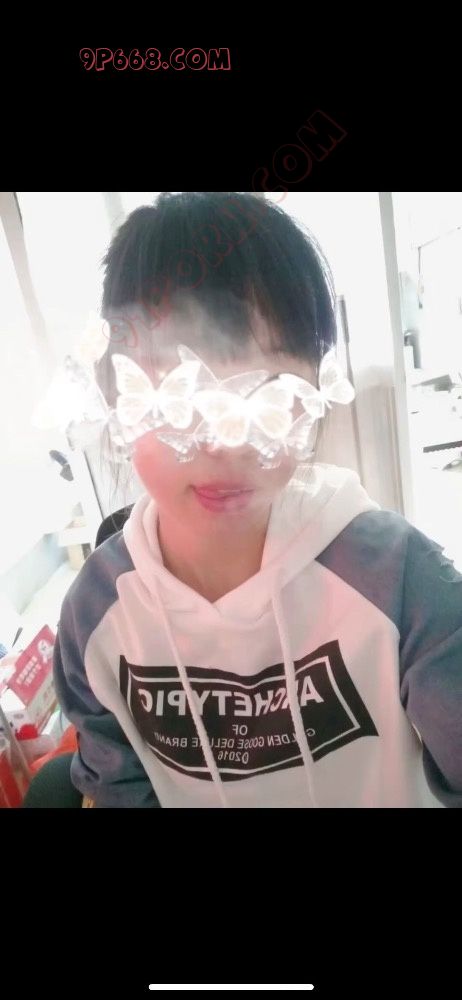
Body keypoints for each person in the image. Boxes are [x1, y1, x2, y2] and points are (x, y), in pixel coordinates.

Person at [52, 192, 462, 807]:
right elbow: (118, 788)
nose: (227, 443)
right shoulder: (96, 613)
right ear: (117, 398)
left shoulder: (400, 580)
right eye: (179, 394)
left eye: (268, 391)